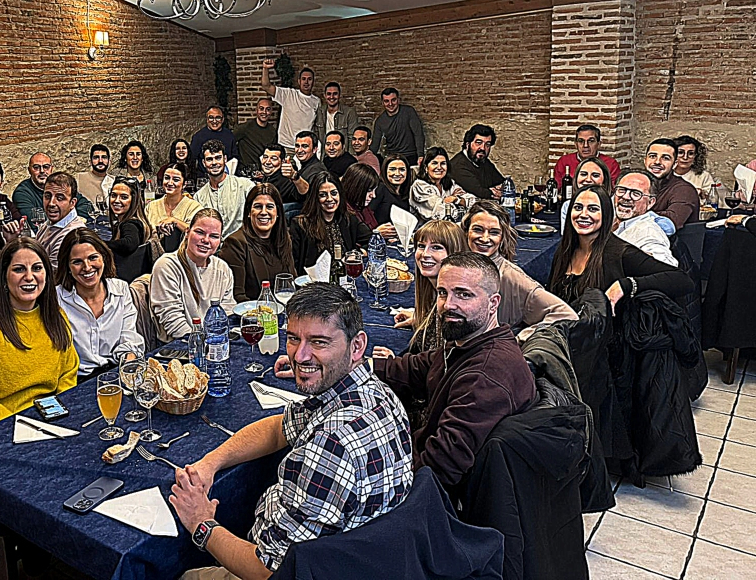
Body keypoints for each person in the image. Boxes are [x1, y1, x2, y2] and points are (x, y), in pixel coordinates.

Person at [173, 283, 413, 580]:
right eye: (293, 338)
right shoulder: (374, 393)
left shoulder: (331, 446)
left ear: (357, 346)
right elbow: (278, 428)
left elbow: (268, 571)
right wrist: (212, 462)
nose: (300, 356)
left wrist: (201, 523)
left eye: (319, 342)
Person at [371, 253, 537, 487]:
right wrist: (349, 365)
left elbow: (439, 468)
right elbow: (416, 367)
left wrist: (380, 482)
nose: (448, 305)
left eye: (464, 294)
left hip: (438, 496)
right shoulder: (470, 342)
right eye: (442, 293)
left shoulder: (485, 375)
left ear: (493, 303)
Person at [0, 238, 79, 430]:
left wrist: (58, 414)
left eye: (37, 268)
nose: (29, 277)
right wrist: (20, 426)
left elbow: (68, 373)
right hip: (1, 427)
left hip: (54, 420)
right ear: (4, 276)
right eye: (19, 269)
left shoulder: (56, 315)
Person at [547, 186, 692, 308]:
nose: (583, 214)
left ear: (606, 215)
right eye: (578, 207)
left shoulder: (620, 253)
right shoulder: (566, 250)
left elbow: (682, 280)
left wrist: (627, 285)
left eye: (593, 209)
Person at [461, 201, 577, 338]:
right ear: (466, 231)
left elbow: (566, 314)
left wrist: (520, 339)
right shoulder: (457, 268)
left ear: (502, 237)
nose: (485, 238)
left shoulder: (511, 277)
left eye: (494, 232)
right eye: (478, 230)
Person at [54, 229, 143, 377]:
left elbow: (129, 337)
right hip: (75, 381)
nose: (87, 267)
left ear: (104, 258)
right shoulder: (57, 299)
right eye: (77, 262)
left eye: (93, 258)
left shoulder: (121, 289)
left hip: (116, 371)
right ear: (68, 267)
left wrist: (129, 363)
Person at [150, 209, 236, 339]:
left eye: (214, 236)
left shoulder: (222, 269)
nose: (206, 240)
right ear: (187, 232)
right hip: (180, 346)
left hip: (215, 341)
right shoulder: (166, 266)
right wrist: (201, 344)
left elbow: (227, 313)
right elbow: (174, 323)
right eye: (200, 232)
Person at [394, 220, 467, 358]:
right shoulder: (434, 294)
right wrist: (423, 320)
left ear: (454, 252)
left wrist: (394, 364)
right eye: (421, 246)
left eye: (436, 247)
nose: (425, 254)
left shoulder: (453, 306)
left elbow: (439, 364)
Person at [217, 184, 297, 302]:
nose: (264, 212)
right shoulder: (235, 243)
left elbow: (292, 282)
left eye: (270, 207)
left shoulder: (284, 239)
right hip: (252, 315)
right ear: (249, 212)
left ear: (278, 212)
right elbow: (236, 296)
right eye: (258, 206)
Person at [290, 174, 372, 271]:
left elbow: (372, 240)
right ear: (315, 198)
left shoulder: (348, 218)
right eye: (323, 195)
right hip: (314, 282)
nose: (329, 199)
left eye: (334, 193)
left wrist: (357, 254)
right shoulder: (300, 224)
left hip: (345, 278)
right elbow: (294, 263)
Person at [612, 170, 677, 267]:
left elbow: (668, 270)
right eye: (621, 190)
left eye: (636, 193)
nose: (626, 197)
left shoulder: (649, 233)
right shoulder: (608, 217)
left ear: (650, 202)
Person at [195, 140, 255, 239]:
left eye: (218, 158)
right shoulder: (199, 196)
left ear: (225, 159)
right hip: (212, 248)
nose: (214, 163)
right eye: (209, 159)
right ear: (204, 163)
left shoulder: (245, 186)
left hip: (242, 245)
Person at [261, 58, 319, 150]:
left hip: (305, 147)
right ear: (299, 81)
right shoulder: (288, 94)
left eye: (309, 79)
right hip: (287, 145)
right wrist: (265, 69)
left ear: (313, 82)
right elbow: (266, 86)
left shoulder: (317, 101)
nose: (306, 82)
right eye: (304, 79)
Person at [34, 172, 87, 269]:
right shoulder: (51, 222)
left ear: (72, 203)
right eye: (47, 196)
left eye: (60, 198)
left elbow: (52, 276)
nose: (51, 203)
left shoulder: (71, 235)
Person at [645, 138, 700, 229]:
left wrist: (634, 214)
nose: (657, 162)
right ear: (645, 160)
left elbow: (669, 223)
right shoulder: (637, 184)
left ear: (674, 164)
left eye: (665, 158)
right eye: (652, 156)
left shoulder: (684, 190)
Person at [409, 147, 476, 221]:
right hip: (426, 231)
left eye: (443, 163)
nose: (439, 167)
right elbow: (444, 214)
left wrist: (455, 199)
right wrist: (460, 204)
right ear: (426, 167)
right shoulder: (419, 186)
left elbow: (473, 202)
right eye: (434, 163)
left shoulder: (449, 183)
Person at [369, 87, 425, 165]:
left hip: (411, 155)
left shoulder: (409, 112)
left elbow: (418, 134)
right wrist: (367, 157)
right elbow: (375, 144)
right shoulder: (380, 121)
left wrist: (420, 155)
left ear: (398, 100)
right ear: (382, 103)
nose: (390, 104)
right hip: (392, 157)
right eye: (386, 101)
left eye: (393, 100)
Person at [553, 124, 621, 186]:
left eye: (591, 141)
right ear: (576, 144)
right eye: (581, 141)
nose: (585, 145)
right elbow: (556, 189)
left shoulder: (611, 164)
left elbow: (614, 192)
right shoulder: (564, 162)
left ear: (599, 144)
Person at [341, 163, 397, 238]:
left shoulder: (363, 209)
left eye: (374, 190)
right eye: (369, 190)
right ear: (355, 187)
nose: (373, 195)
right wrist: (376, 234)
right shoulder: (343, 214)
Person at [147, 163, 203, 238]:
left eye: (176, 179)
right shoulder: (151, 206)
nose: (170, 183)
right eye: (167, 178)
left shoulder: (194, 207)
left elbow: (198, 234)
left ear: (185, 184)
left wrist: (175, 221)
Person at [449, 125, 504, 200]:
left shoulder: (483, 161)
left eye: (487, 144)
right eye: (478, 143)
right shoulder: (458, 165)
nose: (483, 148)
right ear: (467, 144)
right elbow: (479, 193)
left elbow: (503, 183)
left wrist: (497, 189)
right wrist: (491, 192)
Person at [559, 156, 616, 222]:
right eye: (583, 174)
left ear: (604, 180)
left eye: (595, 175)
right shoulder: (567, 205)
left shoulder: (613, 206)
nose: (588, 179)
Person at [105, 179, 151, 262]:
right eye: (113, 195)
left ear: (133, 200)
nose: (116, 201)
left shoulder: (130, 224)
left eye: (124, 197)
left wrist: (99, 243)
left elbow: (129, 244)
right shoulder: (131, 221)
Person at [233, 97, 279, 174]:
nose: (264, 112)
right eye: (261, 108)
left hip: (264, 171)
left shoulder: (272, 131)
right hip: (244, 171)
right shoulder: (245, 127)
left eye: (268, 109)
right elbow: (231, 141)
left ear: (271, 111)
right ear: (256, 110)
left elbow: (272, 152)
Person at [189, 106, 236, 178]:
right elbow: (192, 159)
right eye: (211, 117)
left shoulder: (229, 135)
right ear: (207, 119)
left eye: (218, 118)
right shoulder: (198, 137)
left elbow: (234, 157)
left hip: (226, 176)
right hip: (205, 178)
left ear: (222, 119)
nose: (214, 121)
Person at [313, 81, 360, 149]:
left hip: (342, 154)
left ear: (339, 95)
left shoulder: (349, 112)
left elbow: (352, 137)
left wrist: (350, 157)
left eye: (335, 94)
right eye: (329, 94)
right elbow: (316, 135)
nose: (332, 97)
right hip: (324, 154)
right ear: (325, 95)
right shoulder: (319, 112)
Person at [674, 135, 718, 205]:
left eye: (690, 153)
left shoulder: (703, 176)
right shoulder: (665, 174)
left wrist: (702, 193)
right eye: (681, 152)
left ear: (696, 156)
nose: (685, 157)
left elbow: (712, 200)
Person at [282, 130, 327, 199]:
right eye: (297, 146)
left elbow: (308, 194)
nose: (299, 150)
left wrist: (294, 176)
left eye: (304, 146)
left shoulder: (317, 169)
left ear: (315, 149)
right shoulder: (305, 165)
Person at [12, 152, 55, 221]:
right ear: (29, 170)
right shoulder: (22, 192)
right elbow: (34, 220)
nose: (42, 171)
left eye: (46, 167)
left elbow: (78, 204)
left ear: (51, 169)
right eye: (36, 167)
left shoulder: (59, 185)